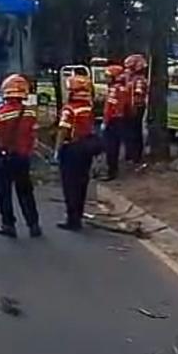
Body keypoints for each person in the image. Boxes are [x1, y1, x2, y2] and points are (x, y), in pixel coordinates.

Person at [0, 74, 41, 238]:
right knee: (25, 192)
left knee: (4, 192)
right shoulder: (30, 113)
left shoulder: (1, 114)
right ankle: (33, 224)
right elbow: (34, 134)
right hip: (23, 158)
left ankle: (8, 224)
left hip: (5, 158)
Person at [55, 75, 98, 231]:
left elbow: (63, 130)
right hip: (86, 148)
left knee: (70, 186)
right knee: (81, 184)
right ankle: (78, 216)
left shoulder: (69, 109)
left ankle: (72, 220)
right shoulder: (88, 108)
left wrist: (57, 150)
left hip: (72, 149)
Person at [102, 64, 128, 181]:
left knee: (111, 147)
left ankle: (111, 172)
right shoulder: (122, 88)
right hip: (119, 121)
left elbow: (110, 109)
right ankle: (112, 170)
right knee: (115, 147)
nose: (106, 79)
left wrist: (105, 122)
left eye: (108, 76)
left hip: (113, 122)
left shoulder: (114, 89)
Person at [124, 53, 148, 163]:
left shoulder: (139, 80)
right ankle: (130, 154)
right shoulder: (131, 78)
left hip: (136, 107)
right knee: (129, 131)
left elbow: (137, 94)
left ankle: (135, 155)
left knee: (135, 131)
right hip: (130, 107)